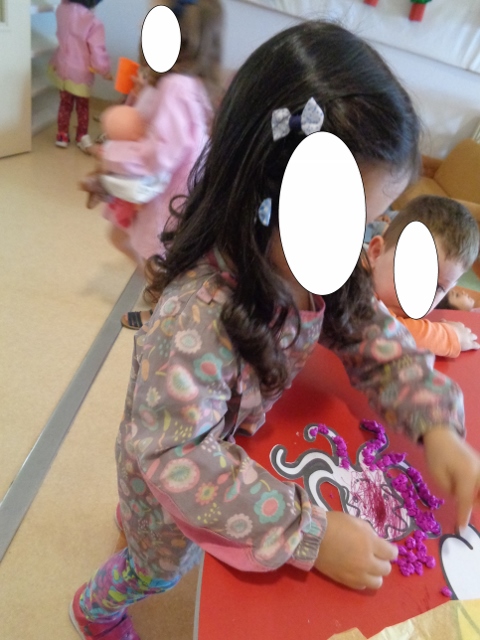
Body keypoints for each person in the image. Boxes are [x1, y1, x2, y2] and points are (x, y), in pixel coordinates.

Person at [69, 21, 480, 640]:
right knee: (158, 565)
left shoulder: (321, 265)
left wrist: (435, 423)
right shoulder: (195, 315)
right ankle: (94, 608)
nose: (354, 249)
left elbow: (373, 335)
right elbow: (179, 458)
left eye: (368, 225)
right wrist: (310, 533)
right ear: (262, 194)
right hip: (171, 460)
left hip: (219, 432)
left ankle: (134, 527)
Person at [88, 0, 223, 326]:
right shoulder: (182, 83)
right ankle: (163, 304)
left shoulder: (178, 87)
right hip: (169, 189)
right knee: (136, 245)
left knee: (152, 255)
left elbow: (160, 153)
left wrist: (112, 156)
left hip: (172, 195)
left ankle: (165, 312)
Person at [367, 195, 480, 357]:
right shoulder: (355, 287)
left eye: (438, 288)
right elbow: (386, 331)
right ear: (376, 253)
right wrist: (449, 336)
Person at [49, 0, 112, 150]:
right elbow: (97, 50)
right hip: (81, 72)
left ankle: (62, 135)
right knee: (82, 106)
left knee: (65, 104)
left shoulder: (61, 10)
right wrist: (104, 70)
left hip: (62, 66)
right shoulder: (92, 22)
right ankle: (81, 136)